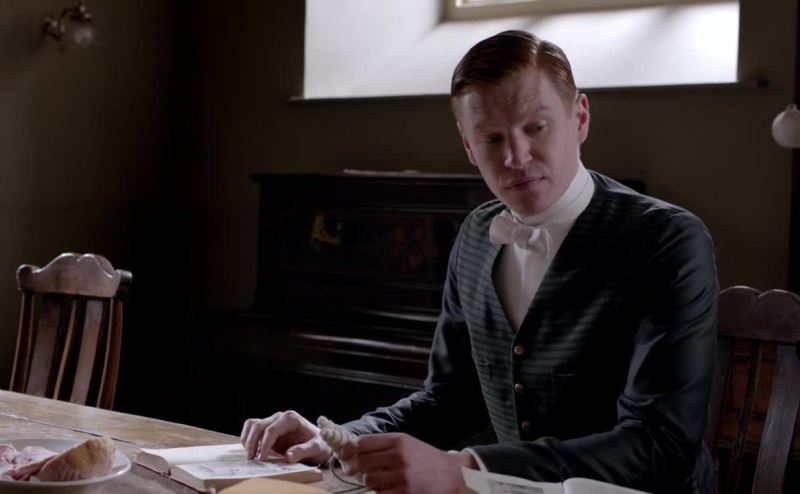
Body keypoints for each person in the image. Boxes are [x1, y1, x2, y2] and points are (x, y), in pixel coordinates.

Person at [240, 30, 717, 494]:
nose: (516, 157)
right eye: (491, 138)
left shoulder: (667, 239)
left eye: (535, 127)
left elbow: (661, 445)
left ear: (580, 118)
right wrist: (338, 440)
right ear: (468, 145)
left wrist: (465, 468)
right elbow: (448, 400)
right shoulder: (475, 236)